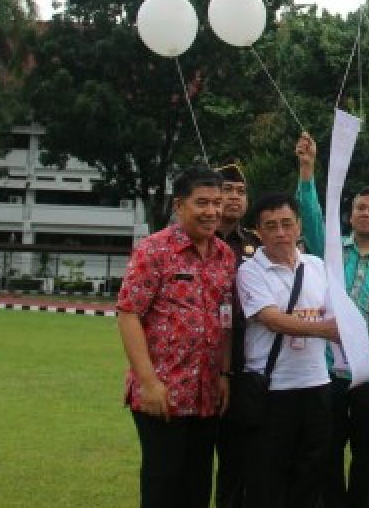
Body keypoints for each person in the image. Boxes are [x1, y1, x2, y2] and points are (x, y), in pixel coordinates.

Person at [295, 135, 369, 508]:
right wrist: (307, 168)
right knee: (327, 454)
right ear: (350, 215)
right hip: (328, 370)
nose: (364, 213)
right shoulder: (330, 248)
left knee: (366, 457)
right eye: (359, 207)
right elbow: (311, 215)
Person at [116, 165, 235, 508]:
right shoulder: (154, 250)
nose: (211, 211)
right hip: (163, 392)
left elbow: (224, 320)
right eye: (202, 203)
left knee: (197, 486)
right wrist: (149, 382)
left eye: (217, 202)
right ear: (179, 205)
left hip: (206, 392)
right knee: (163, 485)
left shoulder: (224, 256)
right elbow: (128, 314)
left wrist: (225, 374)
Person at [237, 191, 340, 508]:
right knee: (267, 477)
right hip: (273, 389)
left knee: (310, 475)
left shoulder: (318, 266)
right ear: (258, 231)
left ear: (298, 227)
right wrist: (329, 331)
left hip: (317, 384)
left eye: (286, 224)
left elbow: (336, 311)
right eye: (271, 226)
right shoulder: (250, 271)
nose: (280, 233)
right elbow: (272, 320)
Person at [212, 162, 260, 508]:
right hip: (199, 356)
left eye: (241, 192)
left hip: (244, 362)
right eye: (227, 190)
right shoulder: (194, 240)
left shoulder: (255, 245)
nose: (234, 198)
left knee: (240, 456)